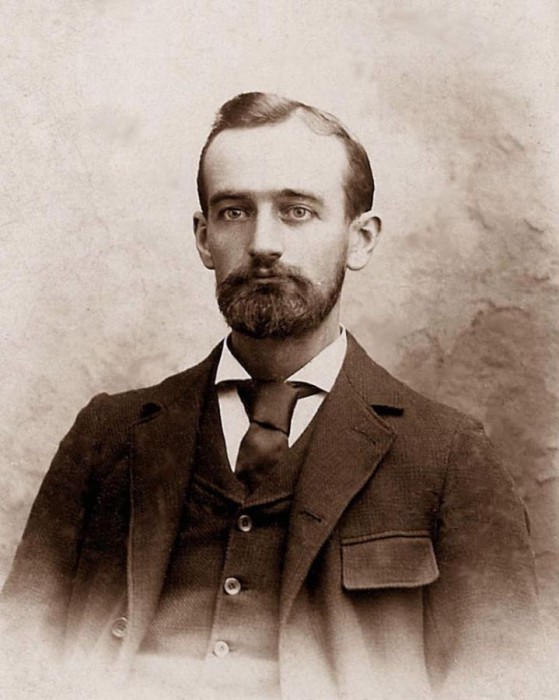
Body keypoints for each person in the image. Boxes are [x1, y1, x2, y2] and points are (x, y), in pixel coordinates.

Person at [1, 92, 541, 699]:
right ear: (204, 238)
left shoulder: (449, 457)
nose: (263, 243)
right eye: (234, 212)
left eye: (297, 211)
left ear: (360, 239)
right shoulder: (108, 437)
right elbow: (19, 664)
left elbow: (506, 681)